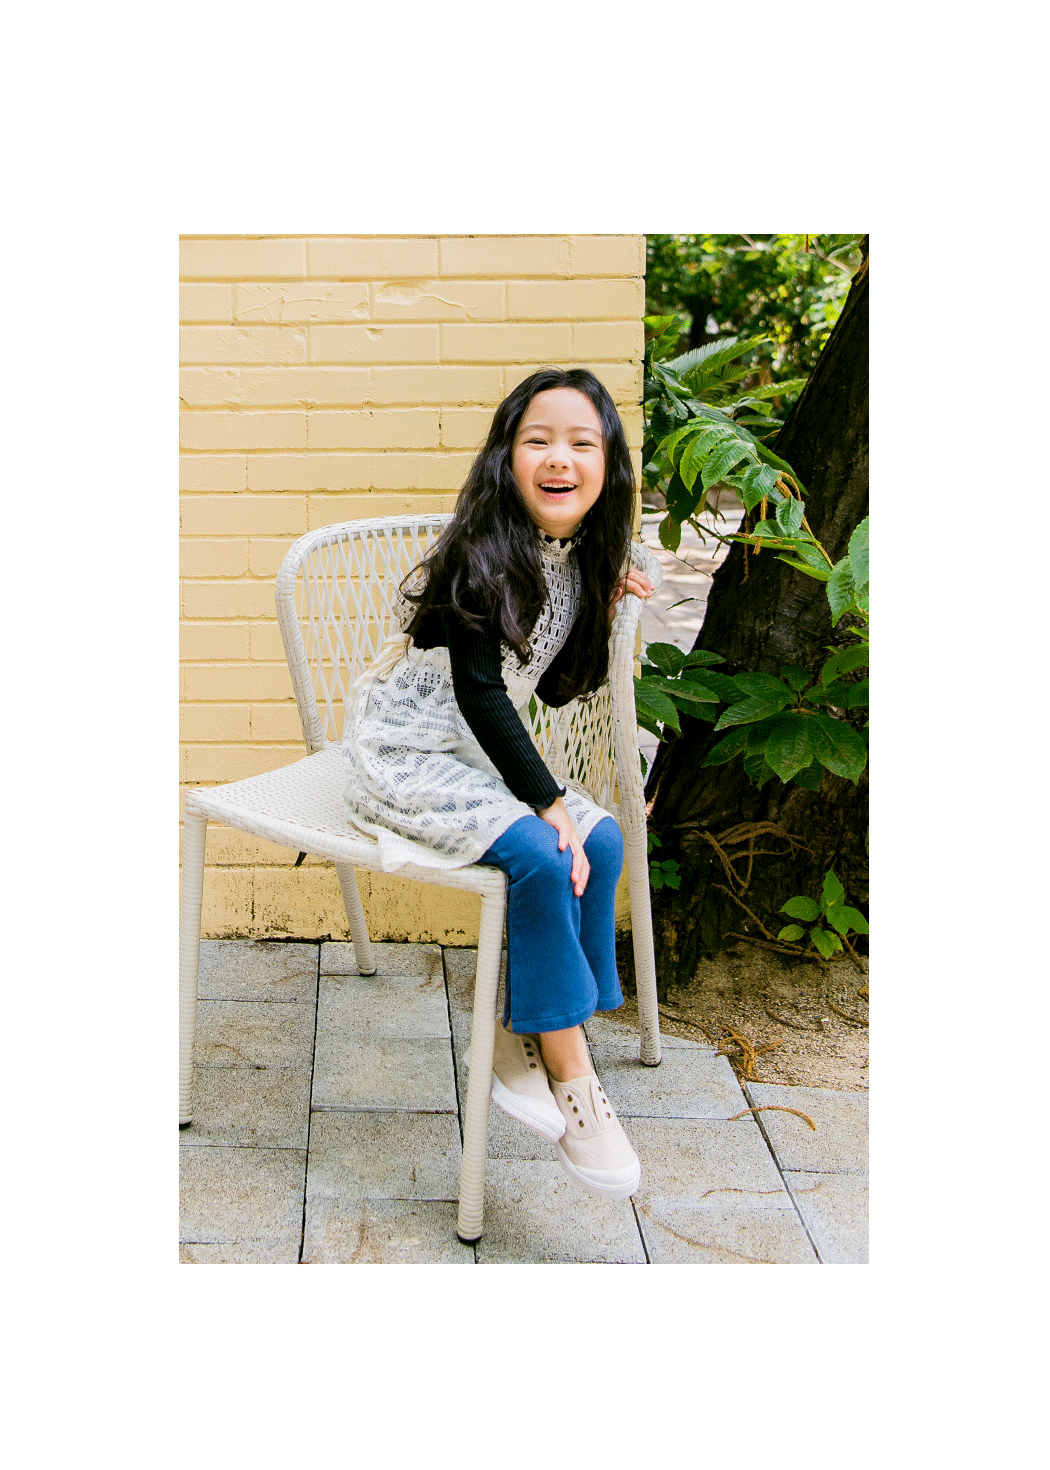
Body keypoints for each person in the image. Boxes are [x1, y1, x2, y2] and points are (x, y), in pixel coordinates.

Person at [341, 366, 654, 1199]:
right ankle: (574, 1077)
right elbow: (481, 692)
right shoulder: (480, 554)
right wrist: (547, 803)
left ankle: (532, 1028)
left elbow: (557, 689)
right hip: (406, 752)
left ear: (608, 466)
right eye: (537, 440)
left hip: (475, 754)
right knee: (546, 853)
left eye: (581, 442)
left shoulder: (576, 560)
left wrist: (601, 609)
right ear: (506, 460)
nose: (559, 457)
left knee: (603, 840)